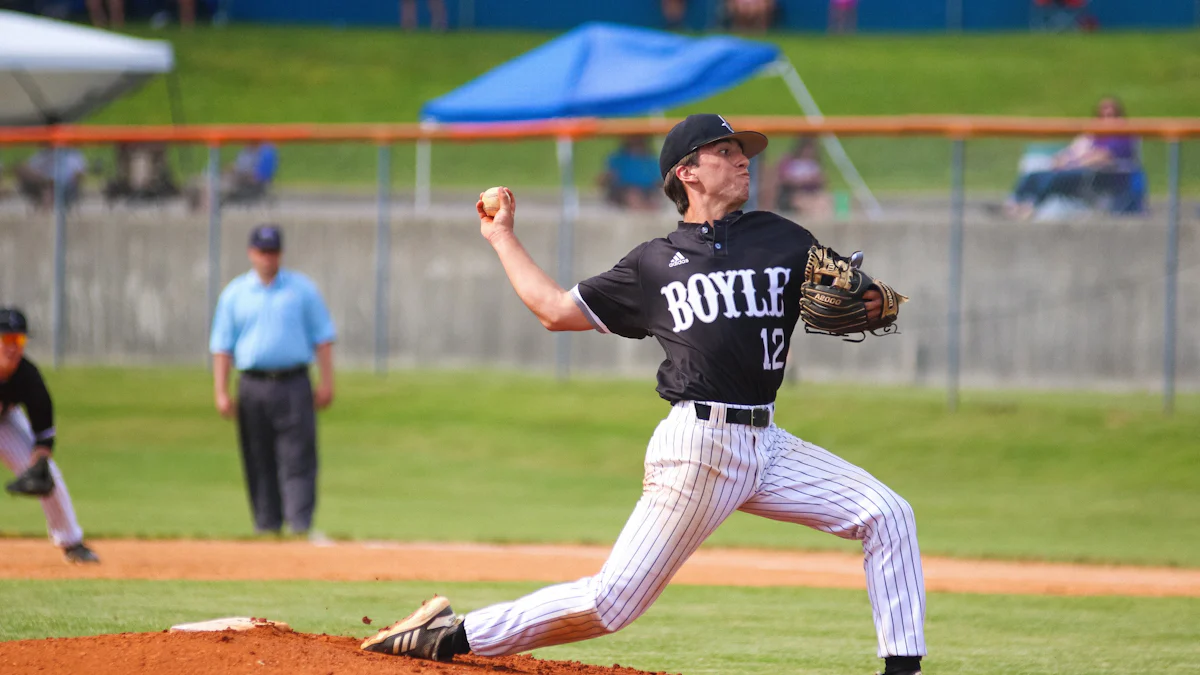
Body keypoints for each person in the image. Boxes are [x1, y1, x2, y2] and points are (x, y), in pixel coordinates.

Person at [361, 114, 927, 675]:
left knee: (889, 514)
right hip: (699, 447)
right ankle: (449, 636)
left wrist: (877, 299)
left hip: (768, 445)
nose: (741, 160)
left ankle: (903, 671)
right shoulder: (653, 263)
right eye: (724, 152)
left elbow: (859, 293)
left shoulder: (784, 237)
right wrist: (501, 235)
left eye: (742, 151)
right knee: (611, 604)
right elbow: (557, 311)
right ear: (688, 172)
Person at [209, 225, 337, 537]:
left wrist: (327, 382)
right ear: (252, 253)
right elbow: (222, 346)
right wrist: (221, 391)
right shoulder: (235, 294)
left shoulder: (301, 290)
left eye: (273, 251)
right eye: (263, 251)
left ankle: (299, 524)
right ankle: (266, 525)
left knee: (298, 456)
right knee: (257, 455)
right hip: (252, 383)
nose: (268, 258)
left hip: (294, 381)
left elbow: (323, 338)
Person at [0, 308, 100, 565]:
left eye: (19, 340)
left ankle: (71, 542)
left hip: (4, 423)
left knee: (48, 473)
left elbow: (43, 435)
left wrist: (39, 461)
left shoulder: (28, 377)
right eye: (6, 339)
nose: (13, 347)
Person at [1002, 96, 1138, 220]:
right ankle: (1015, 203)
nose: (1106, 119)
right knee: (1034, 175)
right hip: (1078, 170)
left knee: (1054, 178)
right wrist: (1061, 159)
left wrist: (1075, 162)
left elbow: (1104, 156)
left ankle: (1032, 206)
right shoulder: (1094, 134)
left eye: (1111, 115)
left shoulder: (1122, 134)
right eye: (1102, 115)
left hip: (1100, 175)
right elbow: (1074, 149)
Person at [187, 141, 278, 212]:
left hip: (247, 183)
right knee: (200, 181)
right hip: (236, 178)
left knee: (213, 184)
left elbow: (257, 176)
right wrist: (229, 170)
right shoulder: (246, 151)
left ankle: (207, 208)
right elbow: (238, 166)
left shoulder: (266, 151)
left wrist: (239, 175)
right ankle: (202, 207)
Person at [775, 136, 833, 218]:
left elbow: (823, 180)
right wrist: (800, 181)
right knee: (804, 202)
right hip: (796, 193)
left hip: (813, 192)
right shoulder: (792, 163)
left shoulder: (814, 164)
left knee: (823, 201)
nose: (808, 152)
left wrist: (815, 180)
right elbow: (783, 179)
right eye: (806, 149)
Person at [15, 145, 87, 212]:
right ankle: (47, 197)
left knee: (51, 185)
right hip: (43, 183)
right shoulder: (44, 153)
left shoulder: (72, 154)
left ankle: (49, 198)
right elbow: (25, 167)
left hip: (65, 185)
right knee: (44, 184)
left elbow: (80, 172)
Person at [599, 136, 662, 211]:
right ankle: (640, 207)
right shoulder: (617, 158)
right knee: (632, 195)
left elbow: (658, 179)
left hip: (647, 190)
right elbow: (606, 178)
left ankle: (644, 207)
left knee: (653, 198)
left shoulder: (651, 159)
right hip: (624, 189)